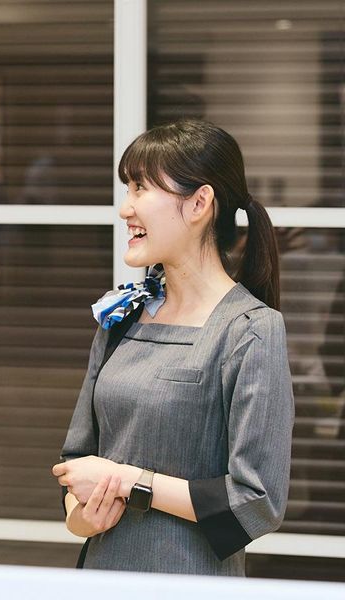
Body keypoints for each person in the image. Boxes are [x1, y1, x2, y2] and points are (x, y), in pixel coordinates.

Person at [51, 120, 294, 575]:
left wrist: (128, 482)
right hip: (102, 574)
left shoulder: (250, 330)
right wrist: (81, 519)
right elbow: (77, 460)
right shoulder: (122, 315)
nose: (125, 208)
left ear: (199, 203)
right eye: (127, 189)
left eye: (141, 188)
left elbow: (256, 501)